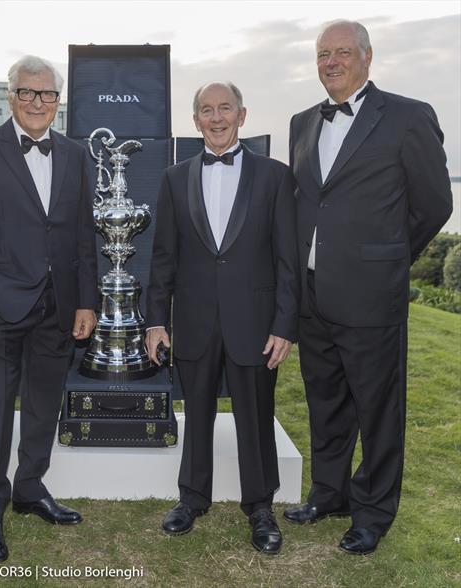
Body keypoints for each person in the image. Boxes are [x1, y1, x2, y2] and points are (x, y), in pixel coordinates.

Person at [285, 20, 452, 555]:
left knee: (379, 409)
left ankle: (373, 511)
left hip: (372, 295)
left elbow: (434, 204)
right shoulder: (301, 122)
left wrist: (387, 257)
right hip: (315, 296)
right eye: (322, 54)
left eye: (342, 53)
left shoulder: (407, 116)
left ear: (366, 57)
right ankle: (328, 493)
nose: (331, 62)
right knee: (326, 401)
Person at [0, 55, 98, 564]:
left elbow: (85, 234)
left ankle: (30, 487)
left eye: (48, 94)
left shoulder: (77, 154)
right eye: (28, 93)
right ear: (10, 96)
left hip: (58, 307)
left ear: (59, 101)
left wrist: (87, 300)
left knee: (43, 405)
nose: (38, 102)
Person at [145, 81, 299, 555]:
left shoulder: (274, 176)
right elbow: (163, 256)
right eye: (206, 111)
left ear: (242, 114)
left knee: (256, 417)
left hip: (254, 322)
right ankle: (192, 498)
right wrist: (155, 321)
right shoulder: (174, 178)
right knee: (197, 414)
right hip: (193, 319)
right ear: (195, 122)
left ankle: (260, 507)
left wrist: (285, 325)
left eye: (224, 109)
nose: (216, 118)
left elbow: (287, 258)